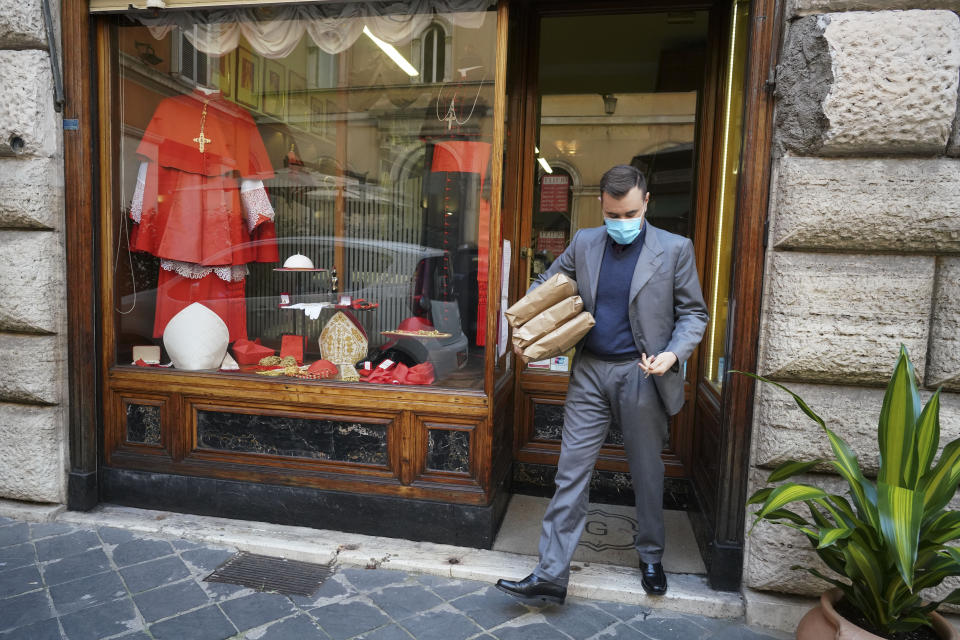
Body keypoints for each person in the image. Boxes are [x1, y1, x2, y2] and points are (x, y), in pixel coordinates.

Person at [496, 164, 708, 604]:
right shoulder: (585, 242)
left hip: (643, 372)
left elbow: (694, 314)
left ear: (646, 203)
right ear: (602, 207)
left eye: (630, 212)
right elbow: (548, 286)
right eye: (614, 214)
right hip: (590, 371)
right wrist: (528, 325)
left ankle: (650, 555)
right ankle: (551, 574)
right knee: (570, 471)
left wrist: (673, 353)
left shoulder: (675, 249)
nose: (622, 222)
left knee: (647, 471)